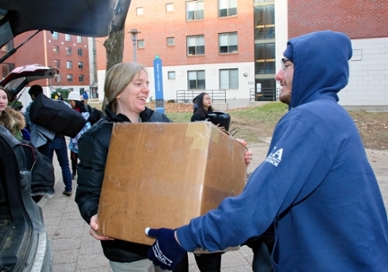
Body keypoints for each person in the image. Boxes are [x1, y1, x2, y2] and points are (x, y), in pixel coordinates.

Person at [145, 30, 388, 271]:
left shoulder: (310, 120)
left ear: (313, 70)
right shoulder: (330, 116)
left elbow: (256, 204)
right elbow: (279, 183)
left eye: (288, 65)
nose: (278, 75)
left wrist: (180, 239)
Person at [75, 62, 253, 272]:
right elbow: (88, 193)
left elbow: (192, 157)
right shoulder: (97, 137)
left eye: (147, 83)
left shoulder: (160, 121)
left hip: (167, 241)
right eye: (138, 83)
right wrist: (94, 216)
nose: (146, 89)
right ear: (118, 90)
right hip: (128, 250)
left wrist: (231, 154)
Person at [190, 92, 273, 272]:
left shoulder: (218, 115)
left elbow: (223, 144)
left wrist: (236, 152)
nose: (209, 100)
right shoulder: (196, 119)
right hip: (202, 194)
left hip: (221, 190)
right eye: (206, 98)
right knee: (208, 253)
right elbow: (196, 149)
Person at [25, 85, 73, 196]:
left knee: (48, 165)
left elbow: (28, 122)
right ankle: (69, 187)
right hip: (60, 139)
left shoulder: (31, 107)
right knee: (65, 165)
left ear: (32, 95)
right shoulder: (54, 103)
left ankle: (49, 188)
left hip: (45, 141)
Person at [67, 91, 91, 180]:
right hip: (74, 138)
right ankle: (74, 172)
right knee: (73, 157)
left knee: (83, 158)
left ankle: (83, 173)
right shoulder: (70, 111)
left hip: (82, 138)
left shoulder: (85, 111)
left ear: (76, 101)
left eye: (71, 101)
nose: (70, 103)